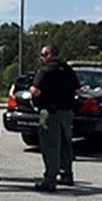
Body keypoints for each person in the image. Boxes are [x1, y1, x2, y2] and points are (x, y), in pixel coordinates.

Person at [29, 44, 80, 192]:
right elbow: (77, 89)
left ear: (49, 55)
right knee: (65, 144)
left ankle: (50, 179)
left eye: (43, 55)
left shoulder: (45, 70)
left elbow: (36, 91)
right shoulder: (68, 69)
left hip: (50, 112)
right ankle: (67, 174)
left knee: (50, 146)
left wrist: (31, 90)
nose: (41, 58)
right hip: (67, 112)